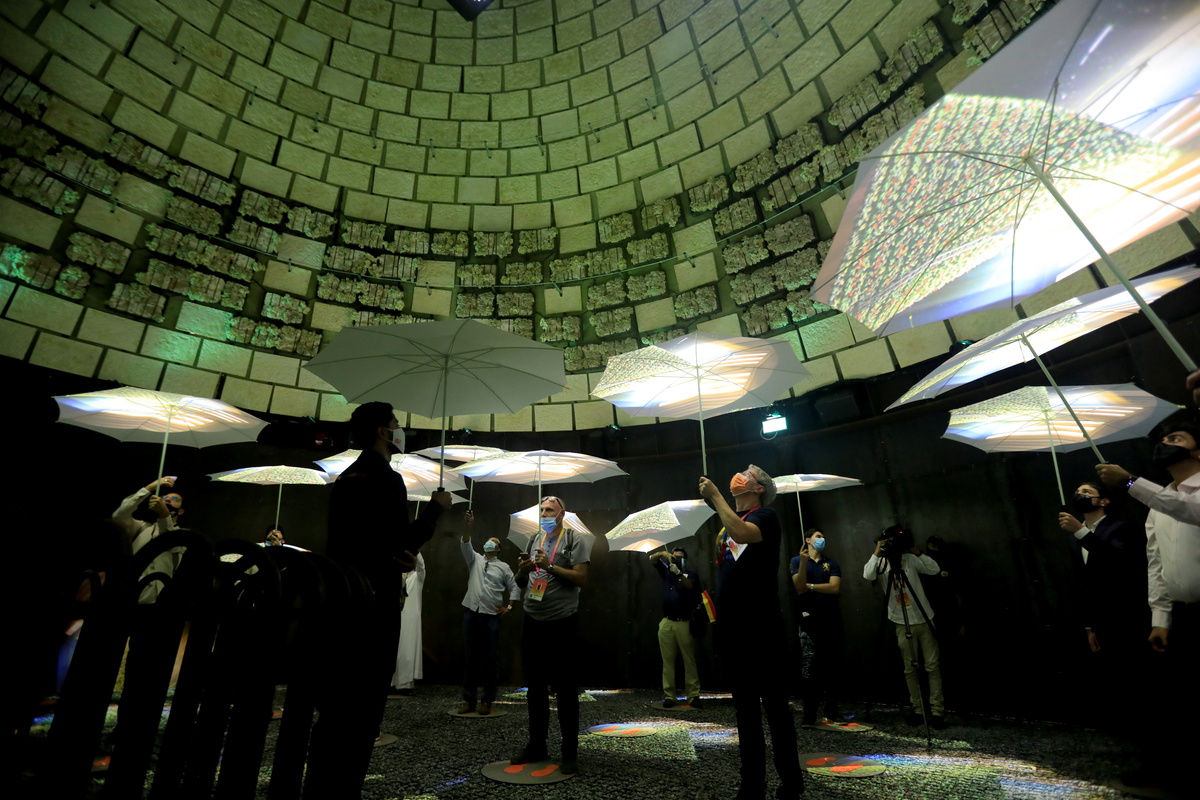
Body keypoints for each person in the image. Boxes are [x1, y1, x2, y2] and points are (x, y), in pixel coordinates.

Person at [304, 402, 450, 799]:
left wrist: (399, 554)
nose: (400, 430)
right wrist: (435, 511)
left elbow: (369, 543)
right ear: (384, 432)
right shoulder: (387, 478)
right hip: (375, 605)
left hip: (343, 600)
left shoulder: (347, 478)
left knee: (337, 708)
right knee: (365, 708)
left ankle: (318, 788)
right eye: (396, 424)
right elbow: (400, 543)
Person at [1094, 416, 1200, 794]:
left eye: (1176, 438)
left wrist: (1128, 482)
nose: (1164, 444)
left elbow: (1189, 509)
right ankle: (1173, 773)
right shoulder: (1158, 504)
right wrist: (1161, 618)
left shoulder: (1173, 498)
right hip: (1184, 616)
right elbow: (1157, 565)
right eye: (1162, 440)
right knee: (1176, 701)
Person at [699, 466, 803, 800]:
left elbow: (743, 534)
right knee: (745, 711)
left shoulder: (766, 516)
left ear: (758, 489)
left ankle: (791, 783)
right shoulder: (728, 522)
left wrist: (715, 496)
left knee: (775, 708)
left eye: (748, 474)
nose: (739, 475)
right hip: (733, 628)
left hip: (762, 627)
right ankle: (752, 786)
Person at [511, 496, 592, 775]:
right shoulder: (534, 539)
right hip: (532, 618)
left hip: (562, 621)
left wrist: (549, 566)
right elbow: (521, 582)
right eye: (542, 510)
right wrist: (522, 570)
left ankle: (569, 752)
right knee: (534, 687)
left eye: (550, 510)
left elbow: (581, 578)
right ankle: (537, 745)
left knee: (566, 689)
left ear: (561, 514)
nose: (545, 514)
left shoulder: (574, 539)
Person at [1056, 482, 1147, 670]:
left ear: (1104, 501)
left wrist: (1081, 531)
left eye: (1086, 492)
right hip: (1101, 622)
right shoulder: (1074, 539)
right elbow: (1083, 583)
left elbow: (1116, 560)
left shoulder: (1122, 528)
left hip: (1129, 616)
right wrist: (1090, 626)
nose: (1079, 494)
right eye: (1077, 491)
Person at [863, 524, 945, 728]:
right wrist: (877, 551)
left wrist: (915, 550)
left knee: (932, 666)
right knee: (910, 669)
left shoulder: (910, 559)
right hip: (900, 620)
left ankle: (937, 712)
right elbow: (868, 575)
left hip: (924, 617)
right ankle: (918, 710)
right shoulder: (882, 563)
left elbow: (934, 569)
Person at [458, 512, 517, 715]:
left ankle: (487, 701)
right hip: (472, 613)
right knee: (471, 658)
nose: (489, 543)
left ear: (498, 548)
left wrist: (509, 607)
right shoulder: (474, 559)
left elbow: (514, 587)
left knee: (491, 659)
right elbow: (465, 542)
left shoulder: (503, 567)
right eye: (488, 541)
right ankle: (469, 700)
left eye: (493, 542)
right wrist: (468, 525)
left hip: (492, 615)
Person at [790, 527, 843, 727]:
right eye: (818, 536)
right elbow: (799, 587)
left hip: (831, 619)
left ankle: (832, 712)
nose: (822, 539)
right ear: (808, 540)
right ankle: (809, 715)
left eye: (823, 536)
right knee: (810, 669)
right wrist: (804, 563)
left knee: (833, 667)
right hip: (809, 621)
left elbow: (834, 587)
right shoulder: (796, 561)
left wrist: (811, 586)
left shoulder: (832, 563)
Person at [111, 476, 185, 602]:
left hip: (156, 598)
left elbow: (169, 541)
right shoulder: (141, 527)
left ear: (181, 511)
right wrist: (149, 488)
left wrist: (165, 516)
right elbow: (118, 516)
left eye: (175, 499)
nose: (167, 500)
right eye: (164, 498)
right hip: (125, 591)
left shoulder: (183, 535)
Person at [648, 546, 702, 708]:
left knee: (689, 660)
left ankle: (693, 695)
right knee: (668, 661)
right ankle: (669, 696)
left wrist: (678, 573)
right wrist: (663, 554)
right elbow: (652, 559)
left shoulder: (690, 574)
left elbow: (690, 586)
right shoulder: (666, 572)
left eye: (680, 557)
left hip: (684, 621)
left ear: (685, 560)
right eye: (675, 557)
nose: (677, 560)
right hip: (667, 621)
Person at [390, 552, 426, 694]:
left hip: (409, 619)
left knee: (407, 652)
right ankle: (391, 683)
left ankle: (405, 685)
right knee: (394, 651)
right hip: (396, 617)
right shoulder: (395, 577)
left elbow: (421, 566)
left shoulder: (417, 577)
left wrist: (415, 550)